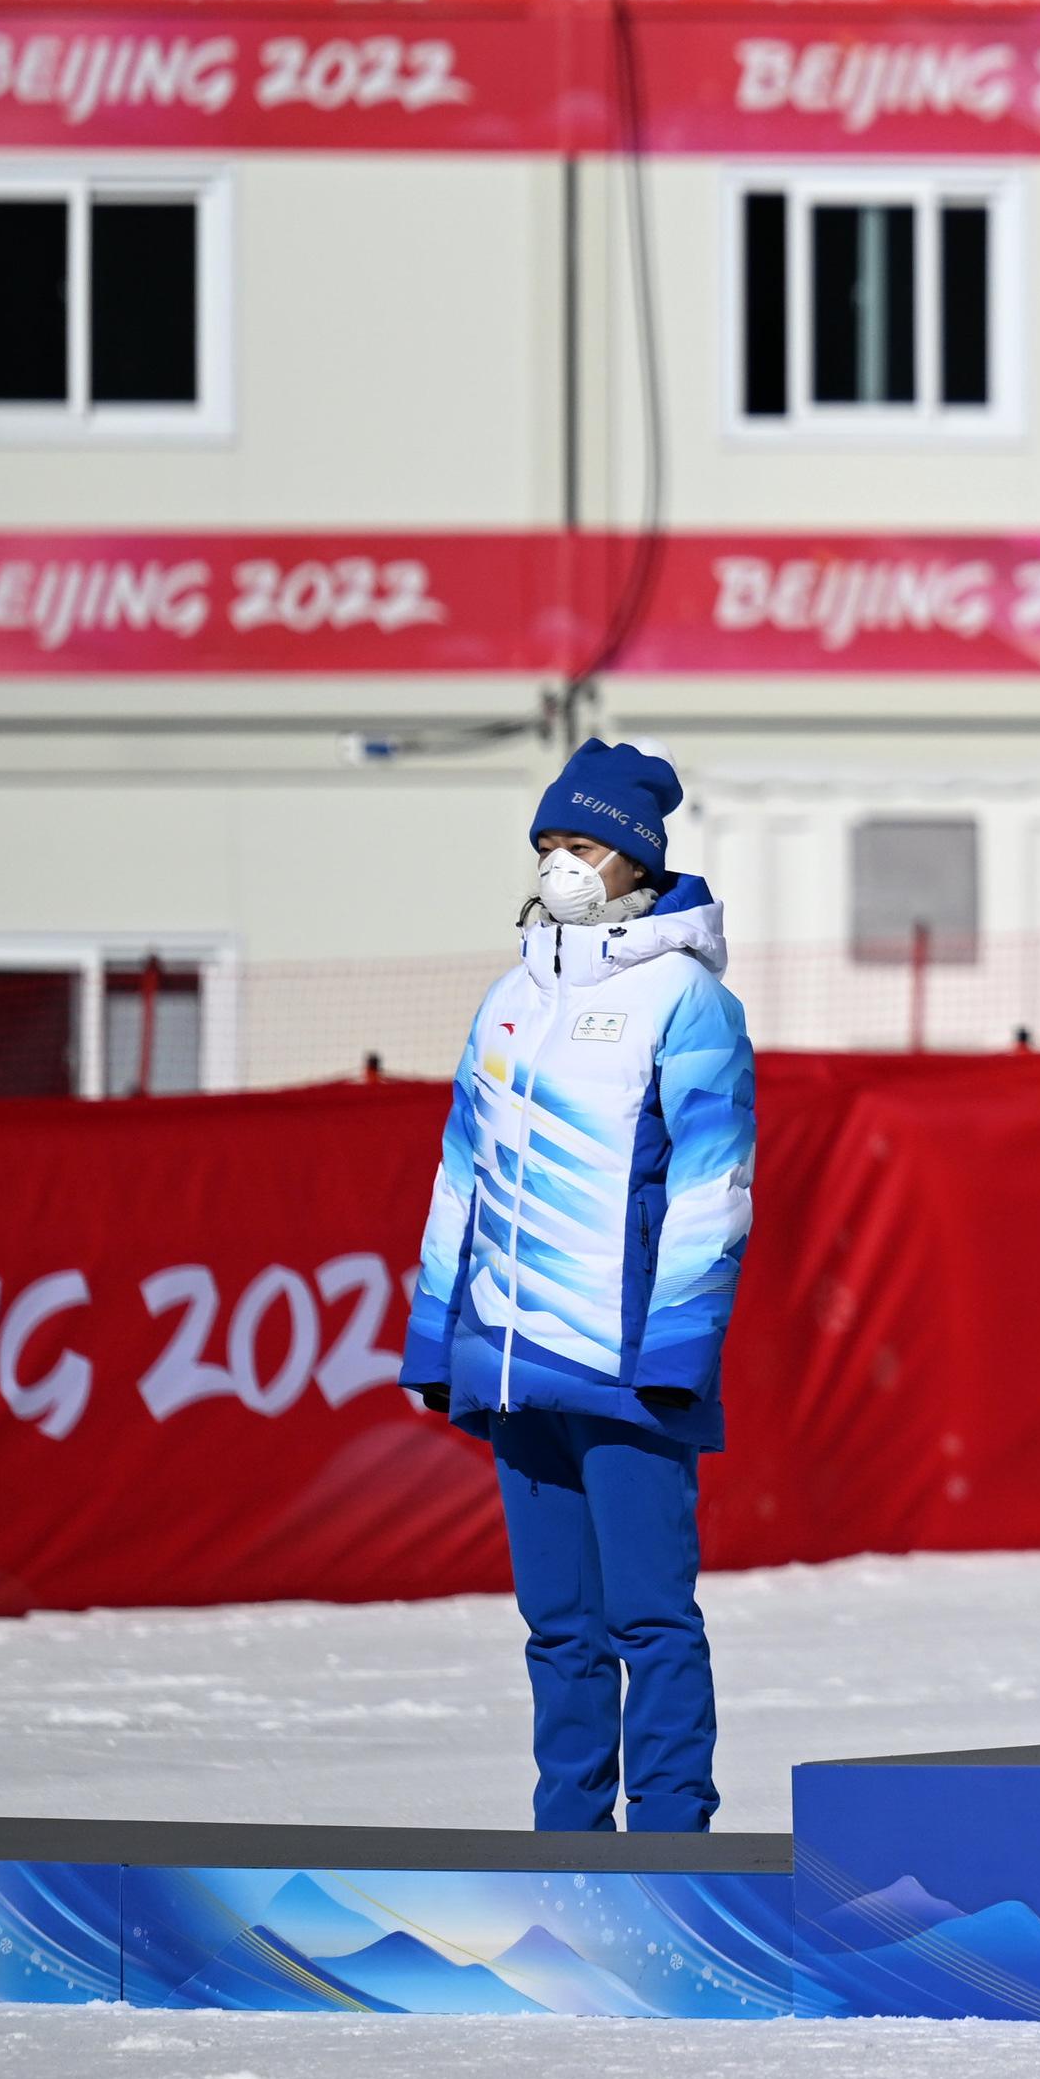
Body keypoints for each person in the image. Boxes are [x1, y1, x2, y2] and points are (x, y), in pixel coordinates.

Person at [401, 739, 756, 1833]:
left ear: (634, 860)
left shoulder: (685, 999)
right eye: (548, 844)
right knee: (557, 1623)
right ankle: (566, 1832)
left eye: (584, 845)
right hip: (512, 1358)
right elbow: (461, 1171)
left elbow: (713, 1187)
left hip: (624, 1363)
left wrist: (676, 1352)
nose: (561, 864)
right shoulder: (509, 996)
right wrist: (434, 1336)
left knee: (648, 1615)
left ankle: (668, 1836)